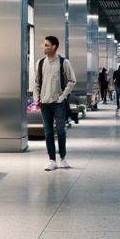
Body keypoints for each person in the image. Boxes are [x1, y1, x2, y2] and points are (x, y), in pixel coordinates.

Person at [35, 35, 76, 170]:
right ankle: (52, 159)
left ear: (54, 47)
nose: (44, 47)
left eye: (47, 45)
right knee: (48, 132)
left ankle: (63, 158)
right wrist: (37, 98)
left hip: (58, 103)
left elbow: (71, 80)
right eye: (45, 45)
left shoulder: (64, 62)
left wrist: (62, 97)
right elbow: (36, 82)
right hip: (44, 103)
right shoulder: (40, 63)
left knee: (60, 131)